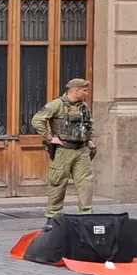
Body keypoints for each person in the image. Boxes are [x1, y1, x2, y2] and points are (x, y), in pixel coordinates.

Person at [31, 78, 96, 226]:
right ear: (75, 91)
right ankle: (53, 217)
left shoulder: (84, 106)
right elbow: (37, 120)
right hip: (63, 151)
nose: (86, 93)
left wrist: (89, 139)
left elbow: (89, 123)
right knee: (58, 183)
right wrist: (49, 138)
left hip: (81, 150)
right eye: (84, 91)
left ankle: (86, 216)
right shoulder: (56, 105)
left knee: (86, 183)